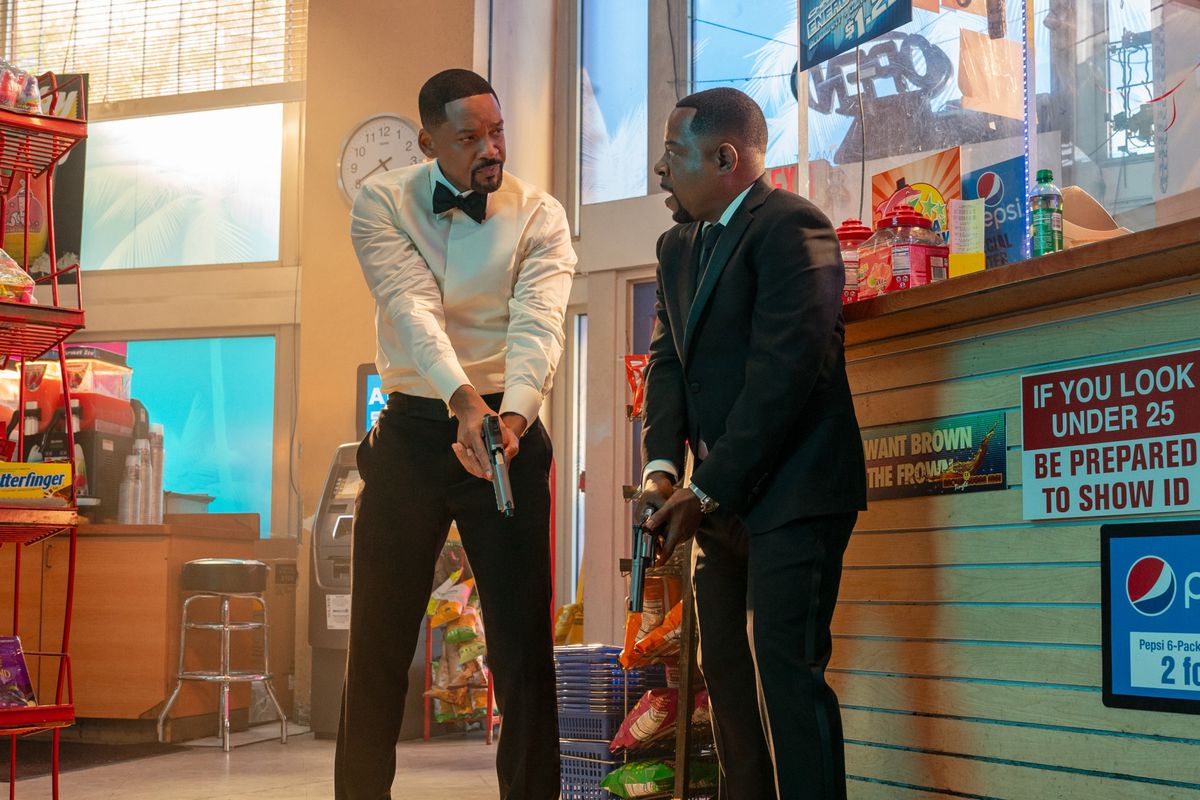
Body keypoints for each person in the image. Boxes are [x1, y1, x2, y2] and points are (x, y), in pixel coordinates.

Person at [337, 68, 575, 800]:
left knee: (522, 648)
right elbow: (412, 308)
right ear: (427, 141)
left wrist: (508, 417)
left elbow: (539, 323)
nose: (490, 148)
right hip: (413, 429)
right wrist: (461, 401)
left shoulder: (540, 213)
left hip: (508, 425)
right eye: (469, 137)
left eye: (497, 131)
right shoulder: (382, 201)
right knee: (376, 647)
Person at [638, 87, 867, 800]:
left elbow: (786, 375)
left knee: (788, 681)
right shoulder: (676, 245)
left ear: (726, 157)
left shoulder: (794, 227)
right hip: (719, 502)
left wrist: (705, 490)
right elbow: (669, 361)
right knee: (728, 688)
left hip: (795, 493)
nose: (659, 168)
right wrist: (662, 473)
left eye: (674, 154)